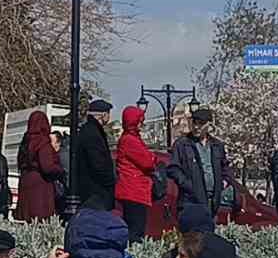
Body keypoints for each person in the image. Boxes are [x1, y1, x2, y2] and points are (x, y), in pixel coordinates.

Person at [168, 107, 238, 218]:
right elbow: (173, 168)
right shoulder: (182, 144)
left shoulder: (217, 145)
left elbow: (225, 167)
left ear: (209, 125)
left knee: (208, 233)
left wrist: (224, 182)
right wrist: (188, 185)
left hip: (212, 202)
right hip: (190, 202)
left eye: (200, 124)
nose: (196, 127)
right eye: (194, 123)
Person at [115, 106, 158, 241]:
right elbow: (147, 162)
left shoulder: (131, 138)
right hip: (134, 189)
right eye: (140, 121)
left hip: (134, 189)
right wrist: (152, 157)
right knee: (136, 230)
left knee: (136, 227)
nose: (142, 124)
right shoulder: (129, 140)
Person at [15, 111, 64, 222]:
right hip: (40, 186)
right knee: (39, 221)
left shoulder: (25, 141)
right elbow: (48, 167)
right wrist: (60, 169)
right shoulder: (43, 143)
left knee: (25, 219)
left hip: (25, 182)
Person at [72, 99, 118, 212]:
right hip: (96, 191)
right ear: (103, 115)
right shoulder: (93, 133)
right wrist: (110, 181)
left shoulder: (89, 130)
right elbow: (98, 163)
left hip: (92, 189)